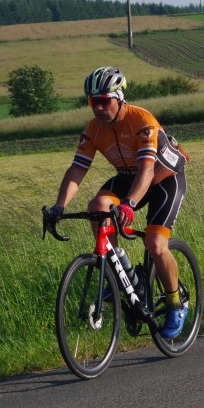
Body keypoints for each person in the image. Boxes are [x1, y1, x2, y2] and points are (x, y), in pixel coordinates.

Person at [45, 66, 191, 338]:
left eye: (104, 101)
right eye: (93, 102)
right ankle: (124, 276)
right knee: (97, 208)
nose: (98, 108)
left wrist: (129, 204)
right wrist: (59, 206)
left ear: (119, 97)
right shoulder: (93, 129)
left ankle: (176, 303)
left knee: (155, 244)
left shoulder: (142, 120)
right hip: (128, 177)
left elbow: (147, 170)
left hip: (164, 178)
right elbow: (78, 168)